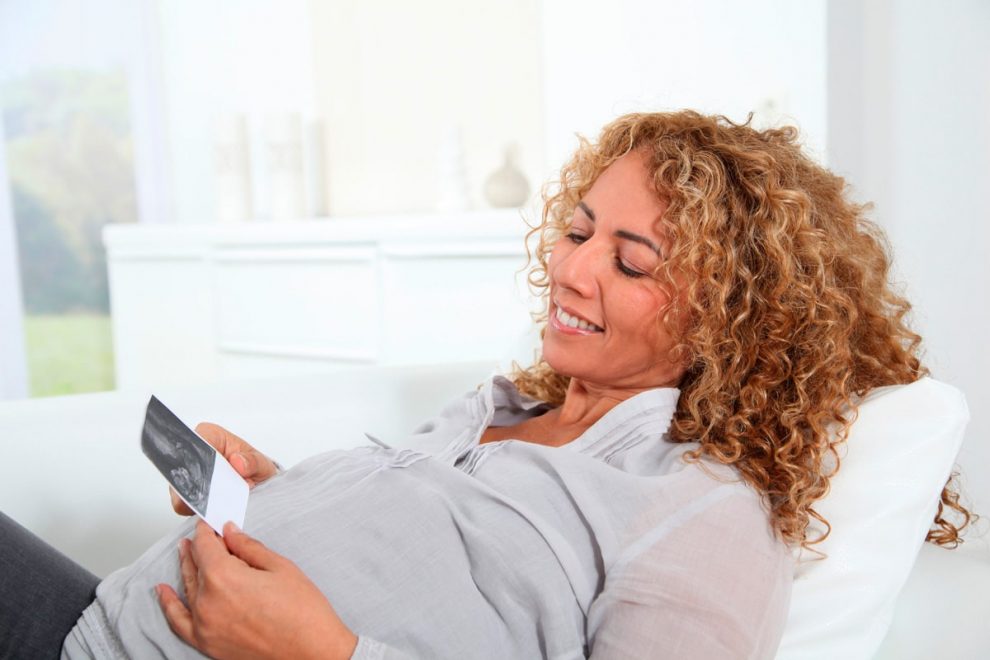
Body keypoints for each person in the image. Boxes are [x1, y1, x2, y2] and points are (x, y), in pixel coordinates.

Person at [0, 110, 973, 659]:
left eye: (632, 263)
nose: (575, 270)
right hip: (98, 625)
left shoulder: (702, 506)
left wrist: (325, 658)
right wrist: (266, 496)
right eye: (581, 229)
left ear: (733, 315)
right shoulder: (506, 409)